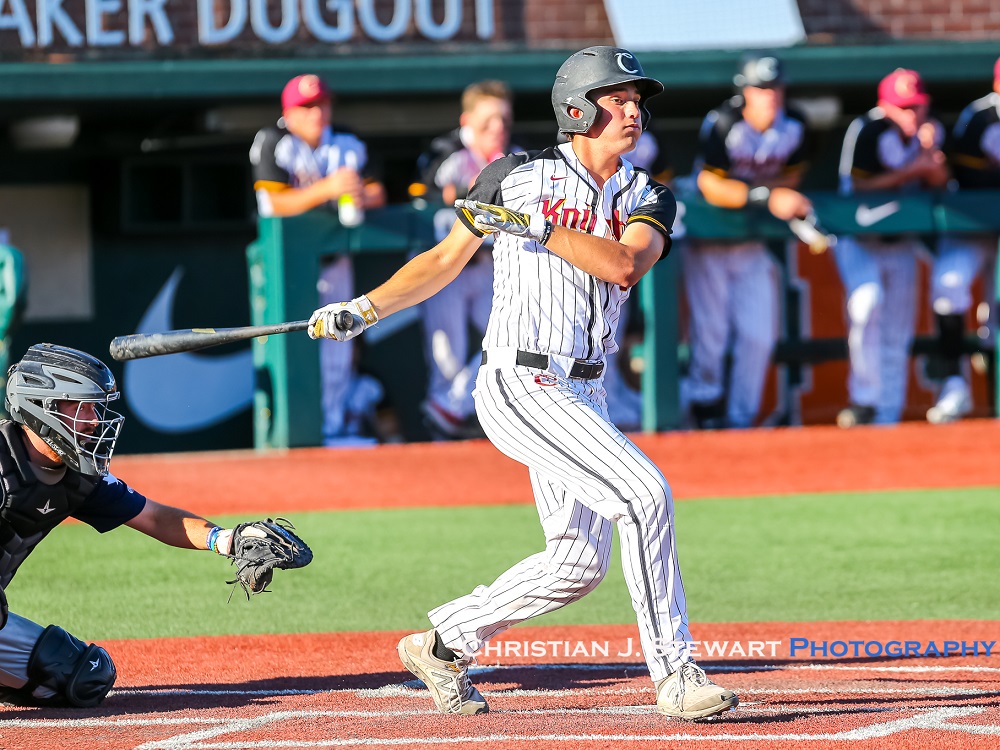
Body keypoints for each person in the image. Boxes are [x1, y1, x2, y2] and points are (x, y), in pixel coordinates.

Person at [309, 46, 738, 720]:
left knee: (575, 565)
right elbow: (446, 260)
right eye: (617, 96)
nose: (634, 109)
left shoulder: (648, 193)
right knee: (645, 495)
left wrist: (537, 227)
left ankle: (444, 640)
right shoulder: (514, 175)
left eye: (637, 99)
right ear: (577, 106)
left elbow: (624, 265)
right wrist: (363, 309)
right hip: (520, 380)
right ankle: (677, 672)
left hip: (585, 390)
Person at [0, 344, 309, 707]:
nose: (95, 421)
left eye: (95, 408)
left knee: (80, 677)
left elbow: (154, 516)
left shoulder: (78, 478)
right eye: (80, 407)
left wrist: (226, 540)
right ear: (43, 407)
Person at [249, 74, 387, 446]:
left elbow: (378, 191)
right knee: (286, 345)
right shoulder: (273, 141)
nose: (316, 113)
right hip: (283, 268)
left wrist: (358, 193)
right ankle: (290, 434)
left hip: (332, 259)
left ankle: (334, 424)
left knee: (338, 341)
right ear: (289, 112)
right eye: (306, 107)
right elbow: (271, 204)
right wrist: (326, 189)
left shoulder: (347, 140)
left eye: (321, 104)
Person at [683, 53, 814, 429]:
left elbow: (792, 177)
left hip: (752, 241)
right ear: (745, 91)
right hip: (711, 238)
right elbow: (711, 185)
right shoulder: (725, 121)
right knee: (711, 336)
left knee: (759, 336)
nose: (768, 95)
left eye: (774, 87)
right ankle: (704, 412)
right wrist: (765, 196)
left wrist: (771, 194)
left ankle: (741, 419)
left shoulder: (795, 124)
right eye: (760, 87)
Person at [835, 69, 950, 427]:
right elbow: (860, 188)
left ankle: (889, 416)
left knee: (898, 330)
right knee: (867, 305)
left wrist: (930, 154)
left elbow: (943, 183)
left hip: (901, 242)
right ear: (885, 106)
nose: (911, 115)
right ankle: (865, 399)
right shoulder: (868, 129)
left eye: (916, 107)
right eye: (903, 108)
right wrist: (913, 168)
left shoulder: (931, 133)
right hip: (859, 239)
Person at [413, 81, 515, 440]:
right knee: (447, 358)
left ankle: (451, 410)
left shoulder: (516, 157)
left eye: (502, 120)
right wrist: (469, 189)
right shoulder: (448, 151)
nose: (497, 129)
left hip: (493, 268)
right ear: (467, 121)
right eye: (488, 122)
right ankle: (444, 431)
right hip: (447, 268)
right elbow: (424, 193)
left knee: (508, 339)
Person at [926, 57, 1000, 423]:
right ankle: (954, 385)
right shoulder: (980, 118)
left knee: (994, 322)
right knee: (948, 286)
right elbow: (970, 182)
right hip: (970, 227)